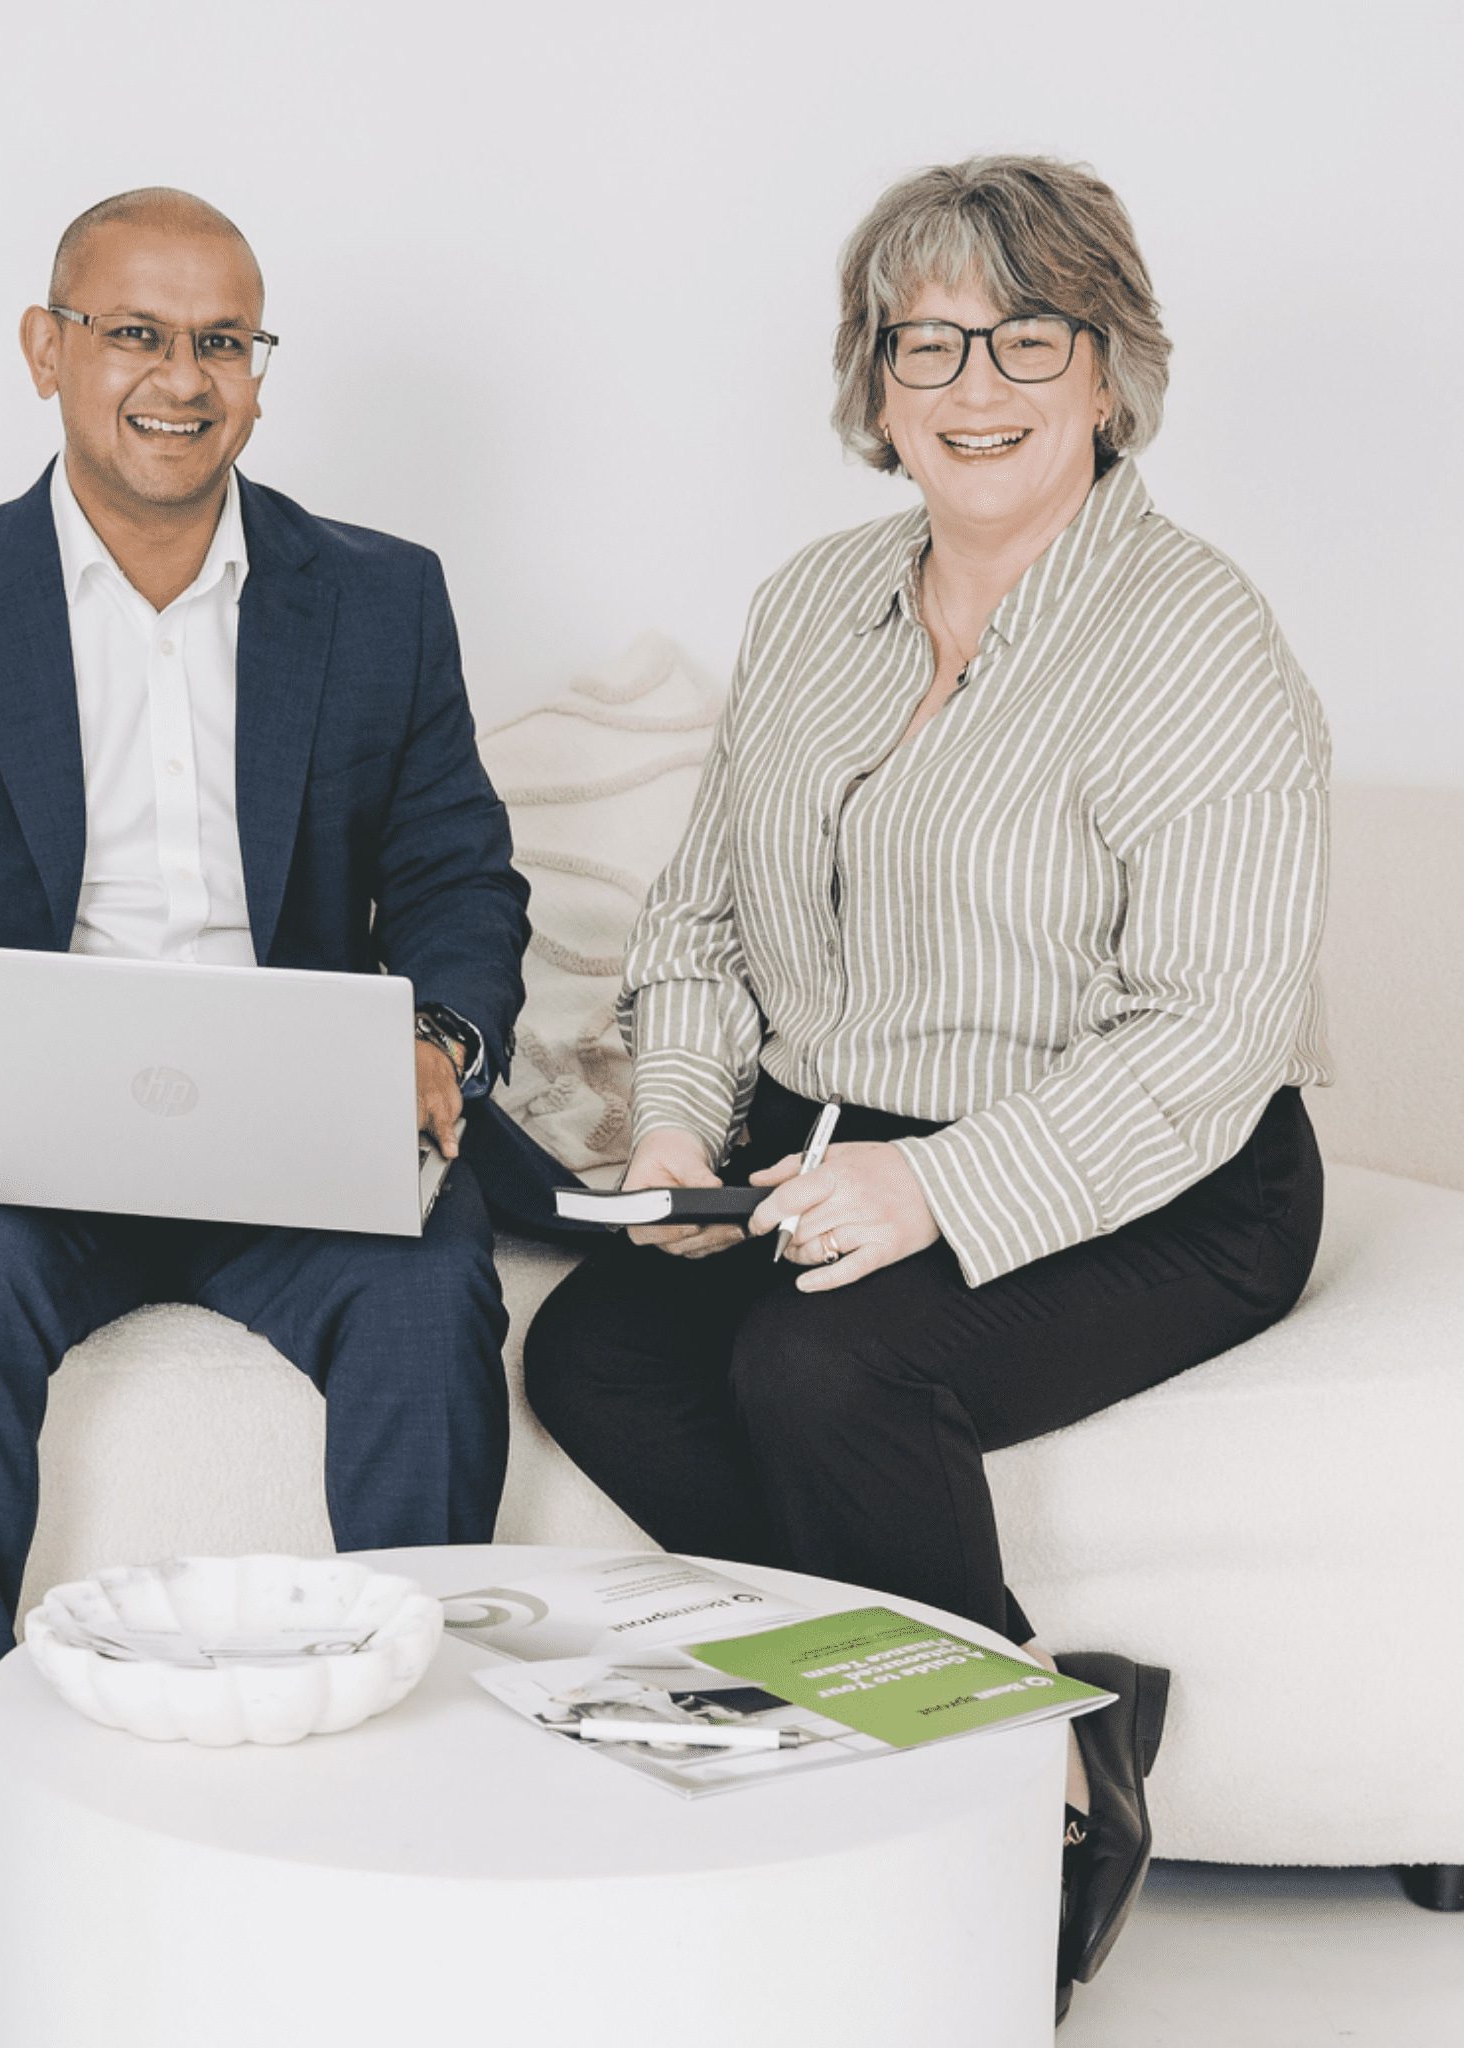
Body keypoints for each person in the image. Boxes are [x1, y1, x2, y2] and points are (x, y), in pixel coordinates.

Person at [0, 187, 570, 2047]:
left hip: (296, 1125)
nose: (183, 377)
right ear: (48, 350)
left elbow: (458, 876)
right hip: (15, 1130)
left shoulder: (381, 595)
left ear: (259, 370)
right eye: (138, 333)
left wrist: (436, 1041)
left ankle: (401, 1832)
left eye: (223, 341)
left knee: (429, 1304)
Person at [522, 155, 1329, 2020]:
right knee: (601, 1354)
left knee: (827, 1362)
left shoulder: (1200, 641)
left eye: (1028, 337)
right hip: (837, 1138)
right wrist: (678, 1123)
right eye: (926, 343)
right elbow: (704, 920)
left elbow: (1209, 1033)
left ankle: (1024, 1814)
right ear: (873, 382)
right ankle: (1019, 1711)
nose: (976, 385)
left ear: (1109, 372)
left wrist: (938, 1191)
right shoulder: (813, 604)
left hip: (1171, 1164)